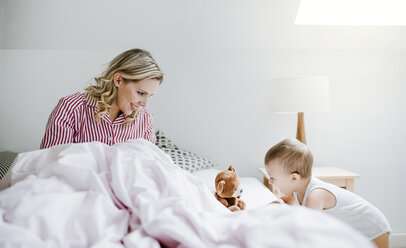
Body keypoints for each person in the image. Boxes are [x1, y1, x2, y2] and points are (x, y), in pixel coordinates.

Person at [264, 138, 391, 248]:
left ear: (293, 178)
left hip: (372, 229)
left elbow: (309, 233)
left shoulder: (316, 195)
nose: (270, 181)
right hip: (354, 231)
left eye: (272, 177)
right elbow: (285, 202)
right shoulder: (296, 189)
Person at [40, 48, 163, 149]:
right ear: (118, 80)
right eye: (141, 93)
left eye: (149, 96)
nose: (144, 104)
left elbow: (147, 168)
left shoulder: (145, 120)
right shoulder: (70, 108)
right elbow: (52, 164)